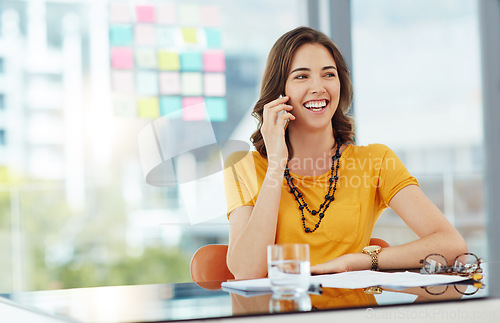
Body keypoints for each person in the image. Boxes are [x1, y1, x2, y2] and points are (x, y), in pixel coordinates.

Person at [223, 26, 467, 280]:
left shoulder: (375, 161)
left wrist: (358, 261)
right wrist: (276, 163)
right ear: (279, 94)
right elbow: (247, 271)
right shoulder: (243, 166)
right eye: (301, 76)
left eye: (329, 74)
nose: (318, 87)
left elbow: (452, 246)